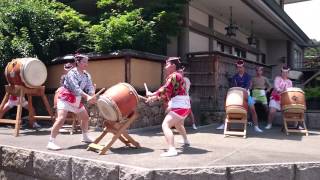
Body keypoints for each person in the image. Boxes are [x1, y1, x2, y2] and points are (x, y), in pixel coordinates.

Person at [47, 54, 96, 150]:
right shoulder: (71, 73)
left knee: (85, 117)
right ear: (78, 62)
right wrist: (87, 97)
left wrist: (92, 94)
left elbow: (89, 86)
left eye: (87, 62)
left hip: (77, 100)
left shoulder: (86, 75)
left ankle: (85, 136)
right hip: (65, 98)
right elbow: (75, 88)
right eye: (84, 62)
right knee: (61, 119)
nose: (86, 64)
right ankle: (51, 142)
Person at [146, 57, 191, 157]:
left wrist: (153, 94)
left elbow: (165, 89)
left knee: (165, 125)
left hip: (180, 106)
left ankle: (172, 149)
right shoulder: (177, 76)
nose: (165, 67)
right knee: (178, 124)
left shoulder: (174, 76)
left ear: (173, 66)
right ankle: (186, 140)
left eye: (167, 64)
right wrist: (154, 97)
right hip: (184, 106)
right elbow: (167, 93)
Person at [216, 60, 263, 133]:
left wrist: (244, 91)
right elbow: (233, 87)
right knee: (227, 106)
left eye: (241, 67)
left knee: (253, 109)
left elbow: (248, 86)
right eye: (238, 67)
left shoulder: (248, 76)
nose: (240, 69)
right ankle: (223, 124)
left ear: (244, 68)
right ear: (236, 68)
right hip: (236, 94)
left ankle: (256, 126)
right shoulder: (235, 77)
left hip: (246, 94)